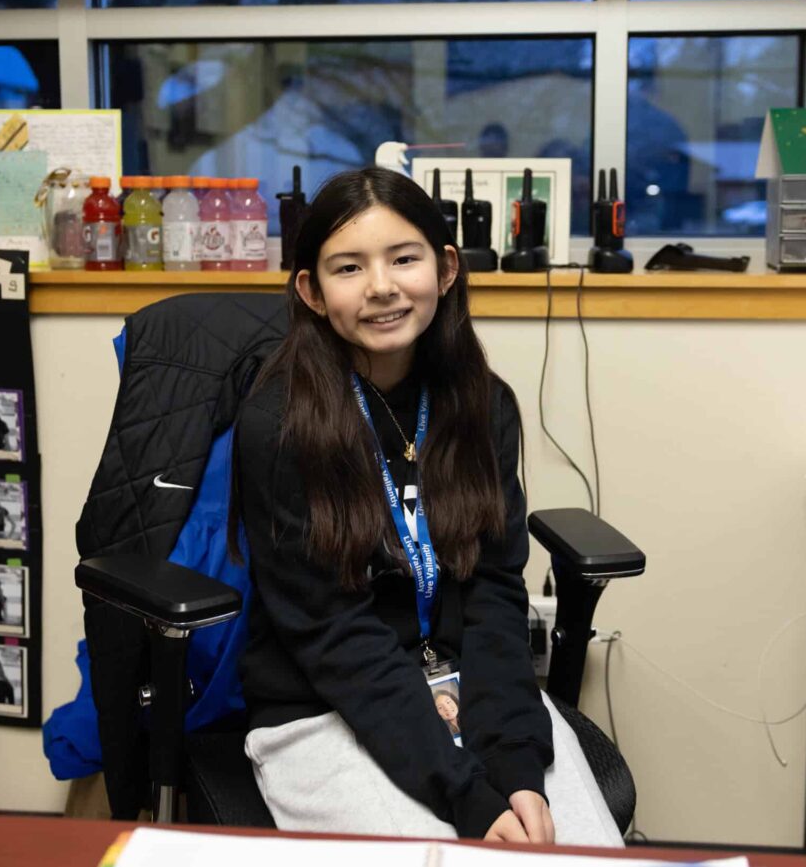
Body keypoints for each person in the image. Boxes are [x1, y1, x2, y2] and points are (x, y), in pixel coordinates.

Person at [229, 167, 622, 847]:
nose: (381, 286)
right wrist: (466, 795)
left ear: (445, 270)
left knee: (576, 850)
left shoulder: (482, 405)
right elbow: (332, 636)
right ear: (311, 292)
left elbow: (495, 592)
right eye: (349, 267)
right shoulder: (280, 425)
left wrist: (515, 763)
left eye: (404, 259)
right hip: (326, 703)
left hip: (472, 686)